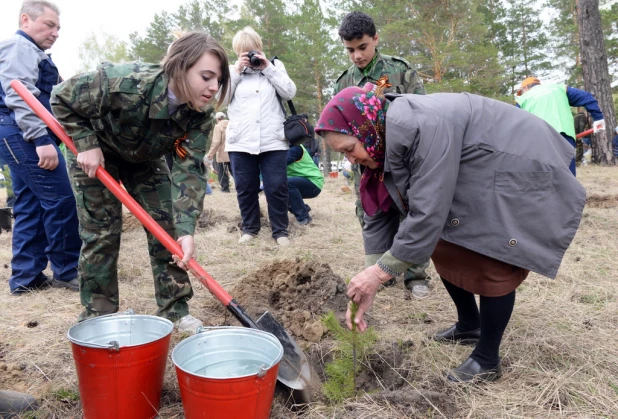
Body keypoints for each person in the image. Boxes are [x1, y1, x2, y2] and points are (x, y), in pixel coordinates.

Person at [316, 83, 586, 382]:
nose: (351, 160)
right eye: (344, 154)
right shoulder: (379, 138)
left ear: (363, 128)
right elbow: (380, 210)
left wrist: (379, 275)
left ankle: (487, 359)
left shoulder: (420, 126)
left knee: (494, 254)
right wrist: (373, 275)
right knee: (442, 242)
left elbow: (428, 210)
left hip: (520, 159)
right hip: (481, 162)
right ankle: (470, 324)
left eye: (349, 150)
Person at [50, 31, 230, 332]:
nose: (213, 87)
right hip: (95, 153)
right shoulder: (126, 81)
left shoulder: (199, 115)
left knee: (168, 231)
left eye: (219, 81)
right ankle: (99, 316)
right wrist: (85, 142)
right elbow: (61, 97)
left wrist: (186, 230)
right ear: (180, 66)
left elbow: (190, 170)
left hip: (144, 159)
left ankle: (175, 310)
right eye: (207, 76)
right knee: (101, 233)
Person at [334, 11, 430, 298]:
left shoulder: (400, 71)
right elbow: (340, 124)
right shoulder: (344, 81)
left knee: (409, 212)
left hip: (402, 162)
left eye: (362, 47)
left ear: (375, 39)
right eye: (350, 50)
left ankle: (415, 275)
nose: (356, 56)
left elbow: (423, 114)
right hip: (366, 165)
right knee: (370, 211)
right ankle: (382, 271)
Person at [0, 0, 81, 295]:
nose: (56, 32)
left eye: (58, 27)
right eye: (49, 25)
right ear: (25, 20)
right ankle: (66, 269)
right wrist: (42, 140)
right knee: (61, 200)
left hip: (16, 135)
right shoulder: (18, 47)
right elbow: (20, 95)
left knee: (30, 205)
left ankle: (26, 276)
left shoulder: (33, 52)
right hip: (23, 135)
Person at [225, 26, 296, 246]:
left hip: (272, 140)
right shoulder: (230, 70)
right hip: (241, 141)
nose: (249, 56)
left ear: (260, 48)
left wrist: (268, 69)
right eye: (244, 53)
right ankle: (250, 228)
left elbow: (289, 92)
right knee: (245, 187)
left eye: (252, 51)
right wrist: (236, 71)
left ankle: (280, 231)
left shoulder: (275, 66)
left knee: (277, 187)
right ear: (237, 53)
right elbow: (220, 99)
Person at [516, 77, 605, 176]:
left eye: (522, 91)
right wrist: (598, 118)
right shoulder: (559, 89)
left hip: (538, 137)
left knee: (541, 174)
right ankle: (569, 191)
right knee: (567, 173)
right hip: (564, 135)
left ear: (526, 88)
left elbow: (516, 123)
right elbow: (586, 97)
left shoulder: (523, 99)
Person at [286, 142, 324, 225]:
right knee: (276, 188)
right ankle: (303, 208)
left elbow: (278, 165)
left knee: (285, 184)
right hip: (298, 182)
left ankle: (304, 218)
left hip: (313, 183)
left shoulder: (295, 148)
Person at [206, 112, 232, 192]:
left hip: (222, 153)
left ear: (217, 119)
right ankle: (241, 186)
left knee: (222, 172)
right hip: (232, 152)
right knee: (234, 170)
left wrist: (210, 154)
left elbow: (216, 142)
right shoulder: (231, 124)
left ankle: (225, 188)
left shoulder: (218, 126)